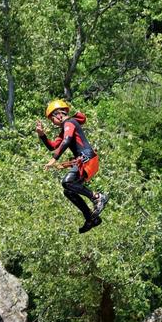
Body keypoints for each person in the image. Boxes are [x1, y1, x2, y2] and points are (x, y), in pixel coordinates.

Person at [36, 99, 108, 233]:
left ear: (58, 114)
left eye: (52, 120)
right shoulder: (65, 128)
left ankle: (97, 197)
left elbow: (67, 140)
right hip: (85, 160)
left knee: (67, 182)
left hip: (87, 158)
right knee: (68, 190)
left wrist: (54, 159)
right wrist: (42, 135)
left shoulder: (70, 122)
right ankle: (91, 218)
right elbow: (53, 146)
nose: (53, 123)